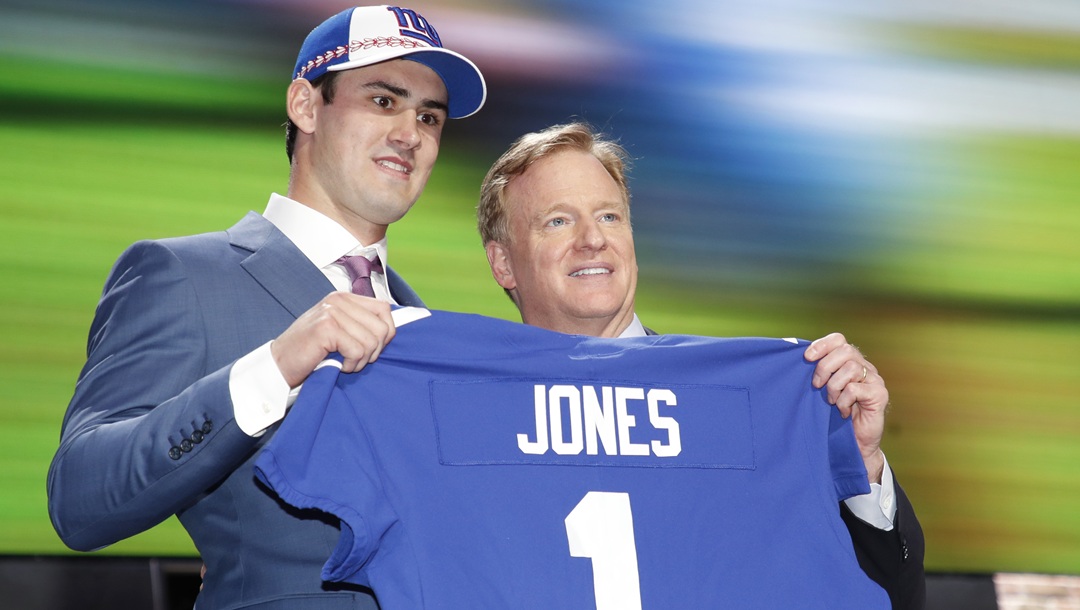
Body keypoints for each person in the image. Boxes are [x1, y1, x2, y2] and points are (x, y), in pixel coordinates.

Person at [46, 5, 485, 609]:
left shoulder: (425, 324)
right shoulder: (180, 275)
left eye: (429, 116)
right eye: (384, 101)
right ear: (305, 106)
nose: (410, 133)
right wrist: (275, 368)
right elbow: (80, 500)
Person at [477, 122, 926, 609]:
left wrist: (858, 463)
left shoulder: (753, 403)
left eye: (609, 217)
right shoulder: (474, 419)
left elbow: (894, 594)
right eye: (558, 221)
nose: (592, 240)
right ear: (502, 262)